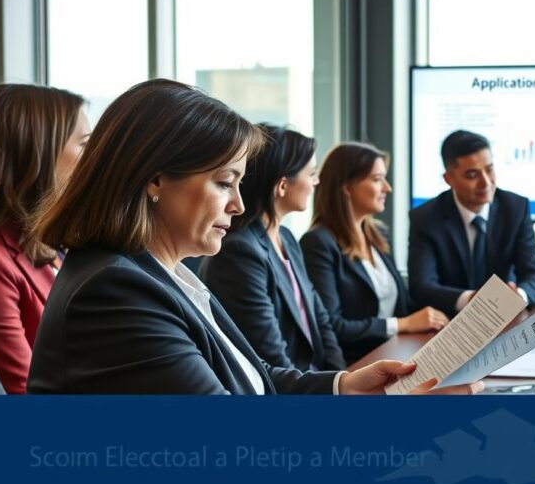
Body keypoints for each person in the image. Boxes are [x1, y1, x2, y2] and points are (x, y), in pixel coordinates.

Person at [27, 79, 481, 395]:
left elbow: (253, 378)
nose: (238, 205)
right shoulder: (116, 292)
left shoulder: (161, 273)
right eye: (224, 182)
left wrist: (347, 387)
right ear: (155, 179)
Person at [0, 84, 89, 394]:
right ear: (36, 153)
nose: (94, 160)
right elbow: (24, 397)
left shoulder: (46, 246)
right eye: (85, 145)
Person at [201, 125, 345, 372]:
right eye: (311, 174)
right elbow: (270, 354)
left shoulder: (287, 238)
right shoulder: (240, 253)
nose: (317, 181)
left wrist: (341, 378)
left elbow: (321, 321)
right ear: (281, 185)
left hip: (315, 381)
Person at [301, 142, 449, 364]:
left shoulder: (379, 234)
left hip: (398, 353)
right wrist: (403, 324)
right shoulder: (318, 243)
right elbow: (332, 325)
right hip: (357, 364)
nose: (387, 188)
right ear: (347, 187)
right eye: (377, 179)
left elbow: (403, 304)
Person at [408, 130, 535, 317]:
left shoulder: (515, 208)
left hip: (505, 322)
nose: (486, 182)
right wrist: (470, 300)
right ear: (449, 179)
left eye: (489, 169)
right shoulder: (426, 217)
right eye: (472, 175)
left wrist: (518, 296)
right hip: (449, 325)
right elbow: (421, 287)